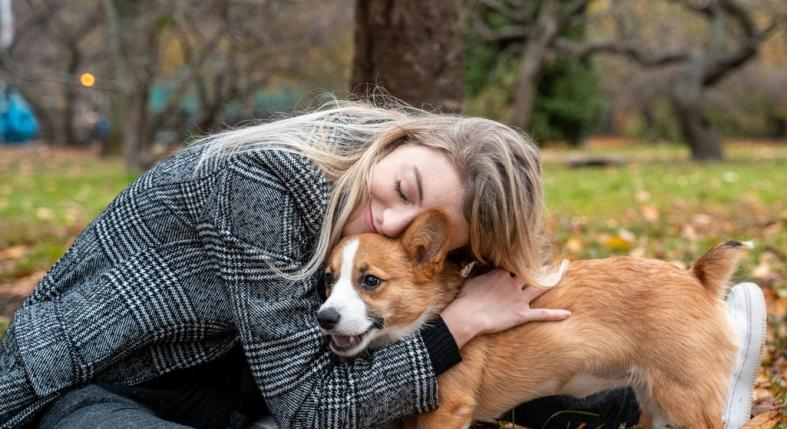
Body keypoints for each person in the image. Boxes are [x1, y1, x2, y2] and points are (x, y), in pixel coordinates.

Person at [0, 99, 764, 429]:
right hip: (72, 391)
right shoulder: (259, 181)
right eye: (401, 189)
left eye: (432, 237)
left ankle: (678, 361)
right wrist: (455, 323)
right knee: (423, 360)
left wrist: (467, 310)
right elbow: (311, 407)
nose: (389, 221)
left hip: (220, 386)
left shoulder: (362, 221)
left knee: (439, 358)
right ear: (401, 139)